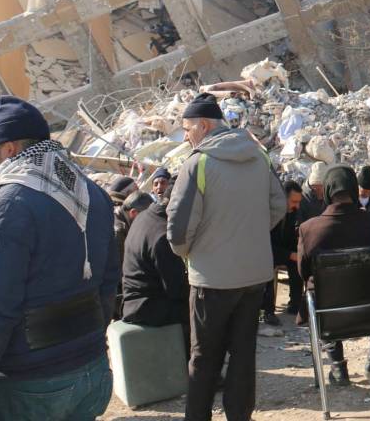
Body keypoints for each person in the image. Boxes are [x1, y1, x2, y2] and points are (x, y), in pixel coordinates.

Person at [0, 95, 120, 420]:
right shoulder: (91, 193)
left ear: (9, 149)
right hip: (92, 371)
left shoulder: (8, 207)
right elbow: (106, 283)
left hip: (30, 385)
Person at [167, 93, 286, 421]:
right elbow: (277, 206)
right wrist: (249, 235)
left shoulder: (198, 163)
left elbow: (178, 232)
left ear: (203, 126)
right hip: (254, 280)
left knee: (204, 358)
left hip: (211, 281)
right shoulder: (259, 156)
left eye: (187, 129)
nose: (185, 136)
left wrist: (194, 252)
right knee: (243, 354)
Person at [299, 164, 370, 387]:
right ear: (354, 189)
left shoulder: (309, 229)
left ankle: (339, 368)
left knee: (315, 291)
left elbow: (304, 272)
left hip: (331, 315)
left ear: (328, 190)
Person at [122, 189, 191, 356]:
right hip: (146, 306)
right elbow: (177, 289)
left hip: (134, 301)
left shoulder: (144, 217)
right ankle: (196, 371)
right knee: (202, 311)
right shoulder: (161, 235)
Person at [263, 180, 304, 324]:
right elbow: (264, 243)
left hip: (284, 250)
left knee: (298, 262)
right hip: (267, 252)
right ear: (283, 198)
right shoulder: (268, 212)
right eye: (294, 201)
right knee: (266, 265)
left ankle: (296, 304)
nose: (297, 206)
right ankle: (268, 311)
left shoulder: (293, 212)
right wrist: (289, 254)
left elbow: (291, 238)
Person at [113, 191, 153, 319]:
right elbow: (122, 271)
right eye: (147, 216)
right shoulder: (119, 231)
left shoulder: (118, 218)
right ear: (133, 213)